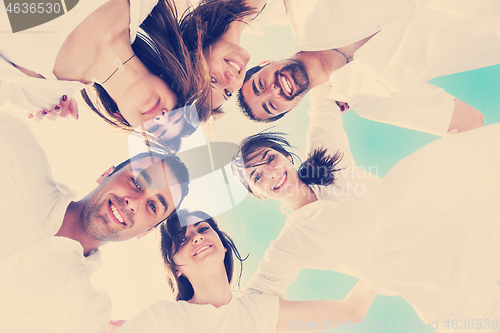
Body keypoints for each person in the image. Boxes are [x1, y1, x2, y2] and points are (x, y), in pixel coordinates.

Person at [232, 84, 500, 330]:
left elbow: (321, 96)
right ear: (258, 195)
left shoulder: (326, 159)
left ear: (287, 157)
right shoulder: (293, 241)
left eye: (270, 159)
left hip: (474, 237)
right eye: (256, 177)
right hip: (452, 294)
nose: (270, 174)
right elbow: (257, 300)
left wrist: (331, 86)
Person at [0, 111, 190, 332]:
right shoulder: (15, 150)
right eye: (136, 182)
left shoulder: (88, 314)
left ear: (146, 232)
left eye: (152, 206)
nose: (133, 203)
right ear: (106, 173)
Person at [237, 0, 500, 136]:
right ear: (292, 108)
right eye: (271, 105)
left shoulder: (304, 10)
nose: (272, 92)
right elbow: (468, 124)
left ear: (265, 63)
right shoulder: (370, 101)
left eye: (260, 84)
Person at [116, 209, 376, 332]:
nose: (196, 237)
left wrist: (391, 250)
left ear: (223, 246)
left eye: (203, 229)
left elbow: (351, 311)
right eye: (182, 239)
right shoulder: (163, 318)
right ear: (175, 268)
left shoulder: (259, 312)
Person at [0, 0, 207, 144]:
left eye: (157, 131)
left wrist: (37, 98)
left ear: (121, 117)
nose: (163, 118)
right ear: (171, 82)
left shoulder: (40, 92)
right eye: (175, 115)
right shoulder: (142, 3)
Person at [179, 0, 267, 121]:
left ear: (194, 55)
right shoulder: (264, 19)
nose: (231, 80)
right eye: (227, 92)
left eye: (213, 79)